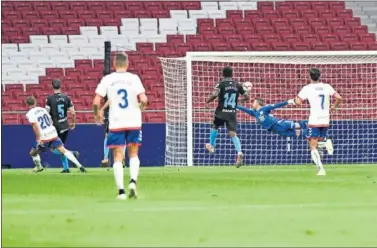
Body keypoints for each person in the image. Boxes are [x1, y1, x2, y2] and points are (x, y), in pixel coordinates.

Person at [93, 52, 148, 200]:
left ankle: (121, 192)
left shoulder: (108, 79)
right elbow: (144, 99)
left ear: (114, 64)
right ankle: (133, 182)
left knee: (118, 156)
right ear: (127, 64)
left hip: (117, 121)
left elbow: (96, 101)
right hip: (134, 120)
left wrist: (97, 114)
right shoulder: (133, 78)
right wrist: (141, 107)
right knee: (134, 154)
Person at [237, 98, 334, 154]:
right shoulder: (255, 113)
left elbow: (276, 105)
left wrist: (289, 101)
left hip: (278, 123)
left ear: (258, 103)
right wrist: (234, 106)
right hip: (276, 130)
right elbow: (244, 109)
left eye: (254, 102)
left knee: (296, 125)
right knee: (298, 133)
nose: (252, 104)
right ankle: (322, 142)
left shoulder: (265, 108)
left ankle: (311, 122)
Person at [294, 68, 342, 176]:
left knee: (313, 146)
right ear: (319, 76)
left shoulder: (307, 88)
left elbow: (298, 102)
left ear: (309, 76)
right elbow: (339, 97)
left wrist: (295, 100)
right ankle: (325, 143)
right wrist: (334, 107)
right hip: (325, 119)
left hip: (314, 119)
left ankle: (321, 169)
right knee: (317, 143)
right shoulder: (327, 86)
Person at [25, 96, 87, 173]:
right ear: (35, 102)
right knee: (63, 150)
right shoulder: (43, 109)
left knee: (33, 153)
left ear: (27, 104)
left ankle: (39, 167)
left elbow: (35, 126)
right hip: (52, 132)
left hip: (43, 136)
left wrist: (38, 139)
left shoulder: (29, 114)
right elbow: (51, 121)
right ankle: (80, 166)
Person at [205, 66, 250, 167]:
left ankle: (211, 146)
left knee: (215, 126)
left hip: (221, 112)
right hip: (232, 113)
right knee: (233, 133)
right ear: (232, 74)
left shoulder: (220, 84)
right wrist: (239, 100)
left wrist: (208, 101)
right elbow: (247, 97)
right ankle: (239, 152)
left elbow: (214, 94)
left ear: (223, 74)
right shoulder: (238, 85)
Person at [45, 78, 79, 173]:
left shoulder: (49, 99)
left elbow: (46, 113)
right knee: (61, 146)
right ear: (61, 86)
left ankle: (72, 153)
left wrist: (49, 123)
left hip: (56, 127)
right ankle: (66, 168)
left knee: (52, 148)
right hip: (65, 126)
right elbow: (73, 112)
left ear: (52, 86)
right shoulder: (66, 97)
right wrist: (73, 123)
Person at [100, 100, 126, 168]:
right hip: (122, 116)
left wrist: (102, 108)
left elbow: (111, 99)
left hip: (114, 116)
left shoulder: (113, 92)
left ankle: (106, 158)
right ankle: (122, 157)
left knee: (107, 136)